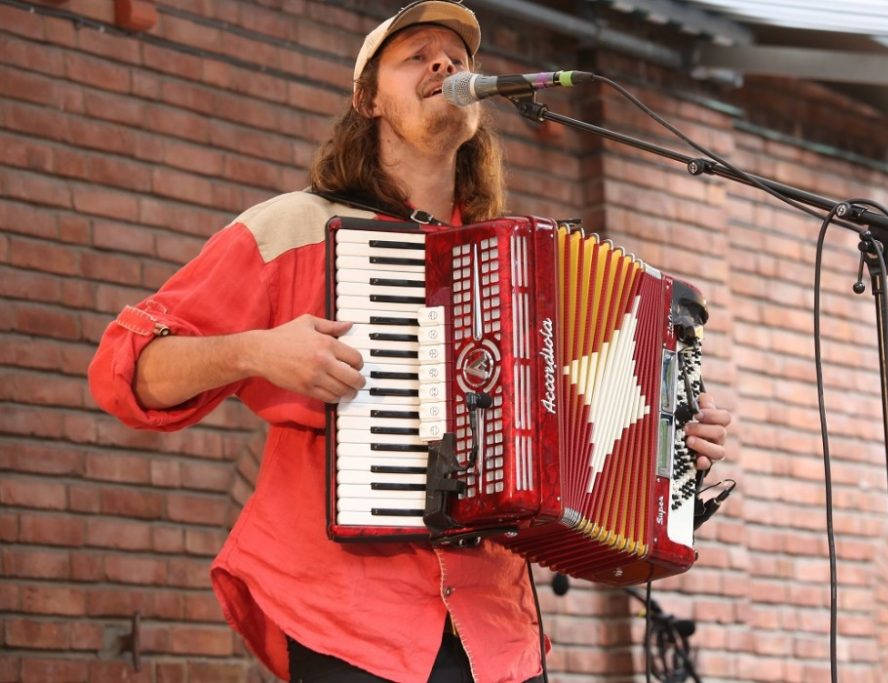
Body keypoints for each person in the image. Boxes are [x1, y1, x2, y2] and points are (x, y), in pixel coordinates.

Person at [88, 2, 732, 681]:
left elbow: (579, 469)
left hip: (497, 637)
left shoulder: (521, 270)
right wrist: (256, 351)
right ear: (367, 98)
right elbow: (125, 371)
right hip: (350, 620)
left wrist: (666, 448)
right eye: (417, 54)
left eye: (457, 57)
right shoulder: (295, 228)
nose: (445, 64)